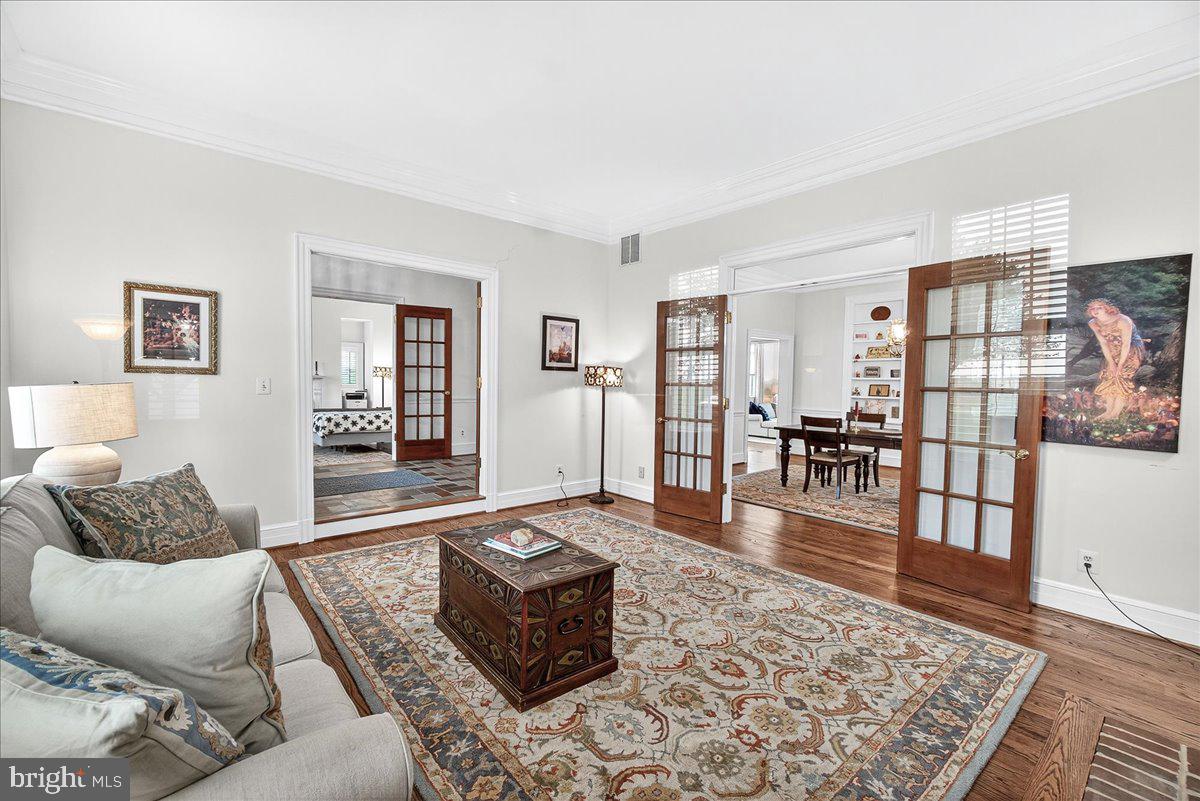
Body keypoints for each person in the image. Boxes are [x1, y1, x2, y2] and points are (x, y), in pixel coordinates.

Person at [1085, 298, 1146, 421]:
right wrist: (1112, 363)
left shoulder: (1123, 320)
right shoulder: (1093, 323)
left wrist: (1120, 365)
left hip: (1131, 350)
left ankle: (1115, 414)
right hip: (1112, 350)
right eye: (1092, 308)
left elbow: (1126, 344)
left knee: (1121, 377)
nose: (1095, 311)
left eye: (1099, 308)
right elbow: (1103, 342)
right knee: (1109, 377)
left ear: (1107, 308)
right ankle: (1108, 412)